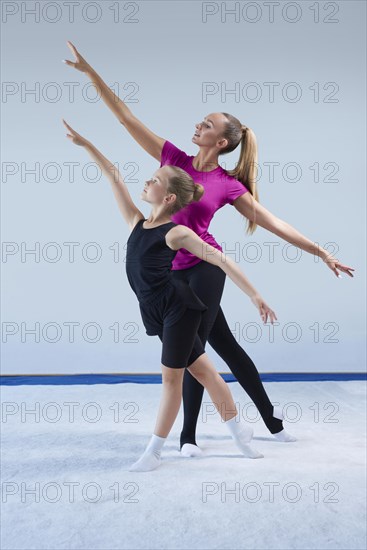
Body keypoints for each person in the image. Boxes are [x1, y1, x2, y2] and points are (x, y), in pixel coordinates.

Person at [62, 41, 355, 457]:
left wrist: (320, 252)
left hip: (203, 266)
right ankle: (268, 422)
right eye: (200, 121)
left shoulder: (228, 184)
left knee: (191, 346)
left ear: (221, 142)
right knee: (223, 346)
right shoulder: (172, 158)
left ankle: (188, 438)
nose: (198, 126)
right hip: (169, 270)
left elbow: (274, 223)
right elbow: (126, 118)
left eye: (207, 124)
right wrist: (92, 74)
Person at [62, 119, 280, 471]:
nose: (147, 180)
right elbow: (114, 175)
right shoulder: (136, 221)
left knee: (171, 378)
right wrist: (87, 144)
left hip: (178, 307)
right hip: (154, 310)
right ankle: (240, 431)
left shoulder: (176, 232)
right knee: (206, 373)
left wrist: (255, 296)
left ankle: (154, 452)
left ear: (168, 197)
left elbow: (220, 260)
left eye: (156, 180)